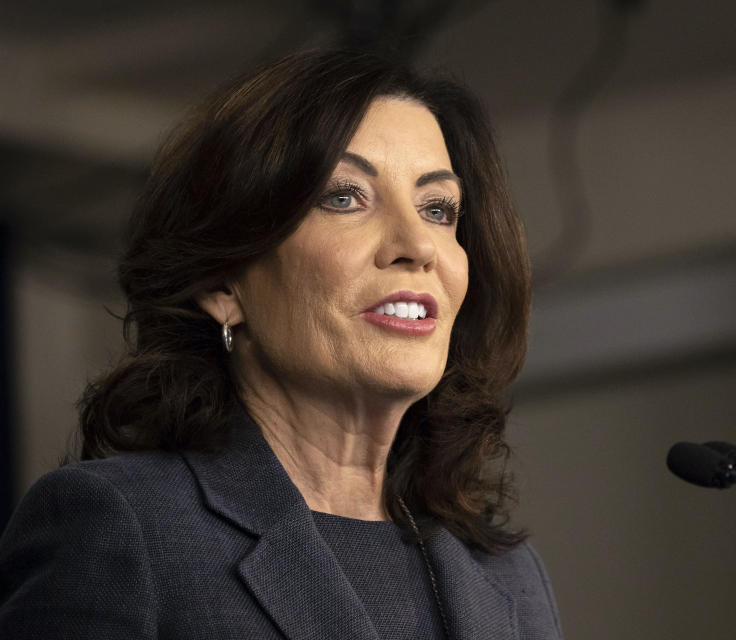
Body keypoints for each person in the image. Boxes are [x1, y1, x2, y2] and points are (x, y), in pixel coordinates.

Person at [0, 49, 562, 639]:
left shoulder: (510, 578)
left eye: (438, 208)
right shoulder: (121, 528)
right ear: (222, 282)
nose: (417, 245)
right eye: (344, 197)